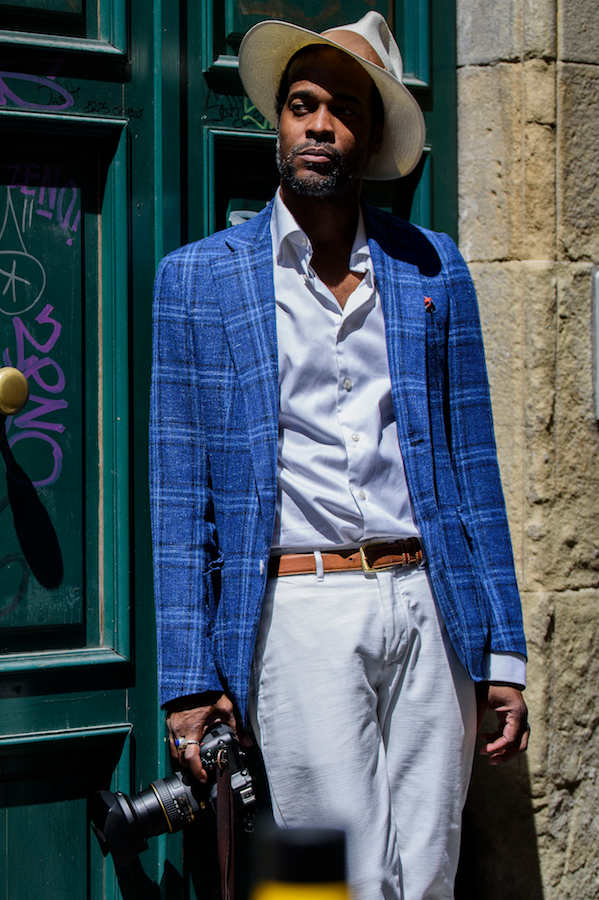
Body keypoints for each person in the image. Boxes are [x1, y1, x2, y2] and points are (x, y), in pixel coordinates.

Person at [149, 11, 529, 899]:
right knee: (328, 873)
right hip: (299, 607)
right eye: (300, 104)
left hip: (428, 606)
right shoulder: (198, 278)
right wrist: (186, 683)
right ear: (278, 121)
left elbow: (475, 471)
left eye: (342, 109)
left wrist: (502, 655)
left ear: (370, 134)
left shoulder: (433, 268)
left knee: (428, 867)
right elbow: (177, 495)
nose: (318, 125)